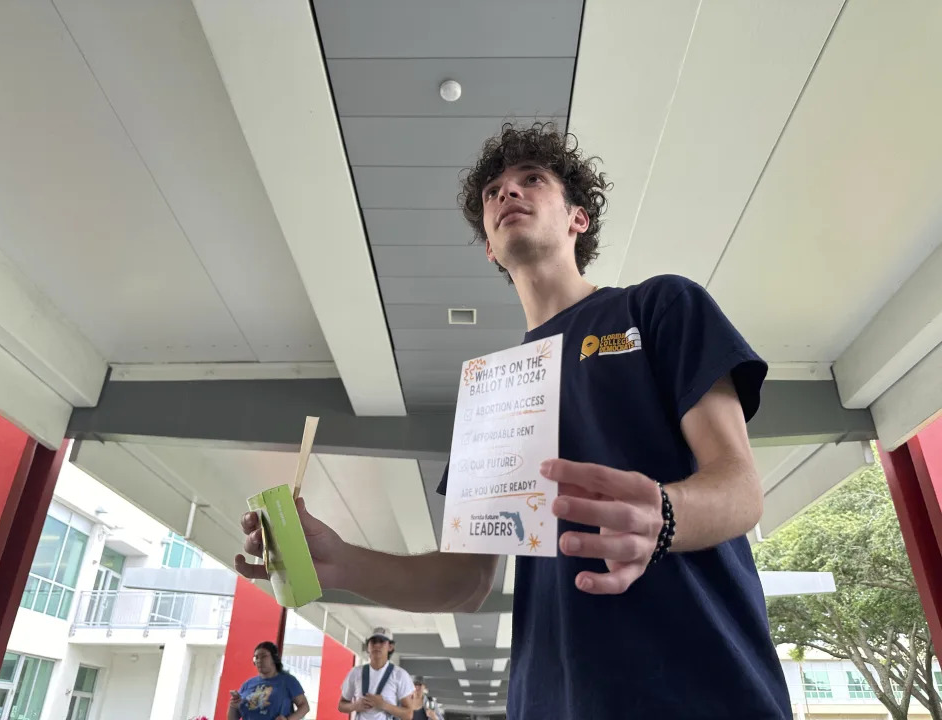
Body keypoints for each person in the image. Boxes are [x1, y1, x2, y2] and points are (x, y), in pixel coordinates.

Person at [236, 123, 791, 719]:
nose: (507, 193)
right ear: (488, 248)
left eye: (532, 180)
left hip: (706, 688)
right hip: (552, 701)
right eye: (493, 191)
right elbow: (466, 579)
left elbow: (740, 487)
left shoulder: (659, 307)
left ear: (578, 218)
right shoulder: (492, 392)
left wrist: (666, 514)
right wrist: (339, 561)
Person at [337, 627, 414, 720]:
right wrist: (355, 706)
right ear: (368, 647)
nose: (377, 645)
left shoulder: (400, 675)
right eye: (373, 642)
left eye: (382, 641)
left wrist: (383, 705)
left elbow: (408, 714)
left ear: (390, 647)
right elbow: (341, 705)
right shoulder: (356, 672)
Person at [228, 641, 308, 720]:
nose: (259, 660)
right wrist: (233, 706)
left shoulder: (288, 681)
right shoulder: (248, 684)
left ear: (274, 658)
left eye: (264, 656)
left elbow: (304, 706)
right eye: (256, 657)